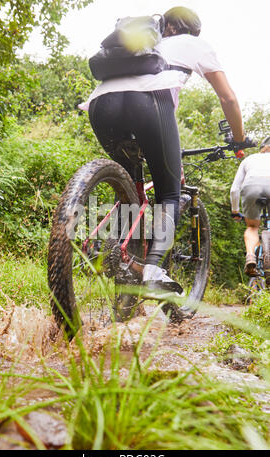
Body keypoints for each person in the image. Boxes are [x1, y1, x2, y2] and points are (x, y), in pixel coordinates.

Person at [80, 6, 247, 293]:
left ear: (163, 24)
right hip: (148, 103)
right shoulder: (195, 44)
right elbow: (228, 98)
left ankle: (112, 252)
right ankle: (153, 267)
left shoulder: (148, 44)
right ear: (194, 30)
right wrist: (240, 139)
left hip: (100, 105)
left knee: (132, 188)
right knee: (169, 193)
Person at [230, 137, 270, 275]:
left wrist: (235, 211)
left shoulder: (250, 159)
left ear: (262, 148)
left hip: (251, 188)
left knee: (252, 227)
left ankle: (250, 256)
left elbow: (235, 189)